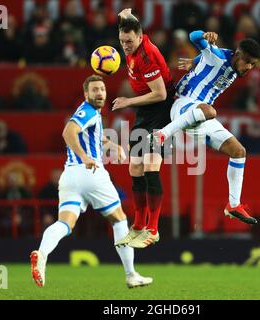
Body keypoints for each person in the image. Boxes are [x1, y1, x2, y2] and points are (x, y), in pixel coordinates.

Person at [30, 75, 152, 289]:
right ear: (86, 94)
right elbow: (68, 132)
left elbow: (93, 136)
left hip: (70, 176)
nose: (100, 93)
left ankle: (41, 253)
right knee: (120, 220)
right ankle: (131, 274)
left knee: (65, 223)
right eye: (94, 90)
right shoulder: (86, 110)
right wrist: (85, 157)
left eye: (102, 89)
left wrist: (113, 145)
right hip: (91, 173)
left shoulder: (91, 113)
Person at [152, 30, 260, 225]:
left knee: (238, 151)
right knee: (210, 110)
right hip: (182, 106)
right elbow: (193, 37)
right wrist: (205, 35)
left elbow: (207, 57)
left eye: (253, 64)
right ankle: (163, 133)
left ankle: (233, 205)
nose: (249, 67)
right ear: (238, 55)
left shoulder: (233, 64)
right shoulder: (217, 56)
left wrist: (195, 63)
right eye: (247, 61)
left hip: (199, 118)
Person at [112, 9, 175, 248]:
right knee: (134, 166)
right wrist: (125, 14)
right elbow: (129, 20)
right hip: (146, 111)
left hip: (161, 108)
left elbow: (160, 94)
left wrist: (128, 101)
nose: (125, 46)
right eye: (121, 41)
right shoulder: (133, 35)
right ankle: (137, 226)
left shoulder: (146, 57)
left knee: (150, 164)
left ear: (140, 37)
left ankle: (153, 229)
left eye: (129, 42)